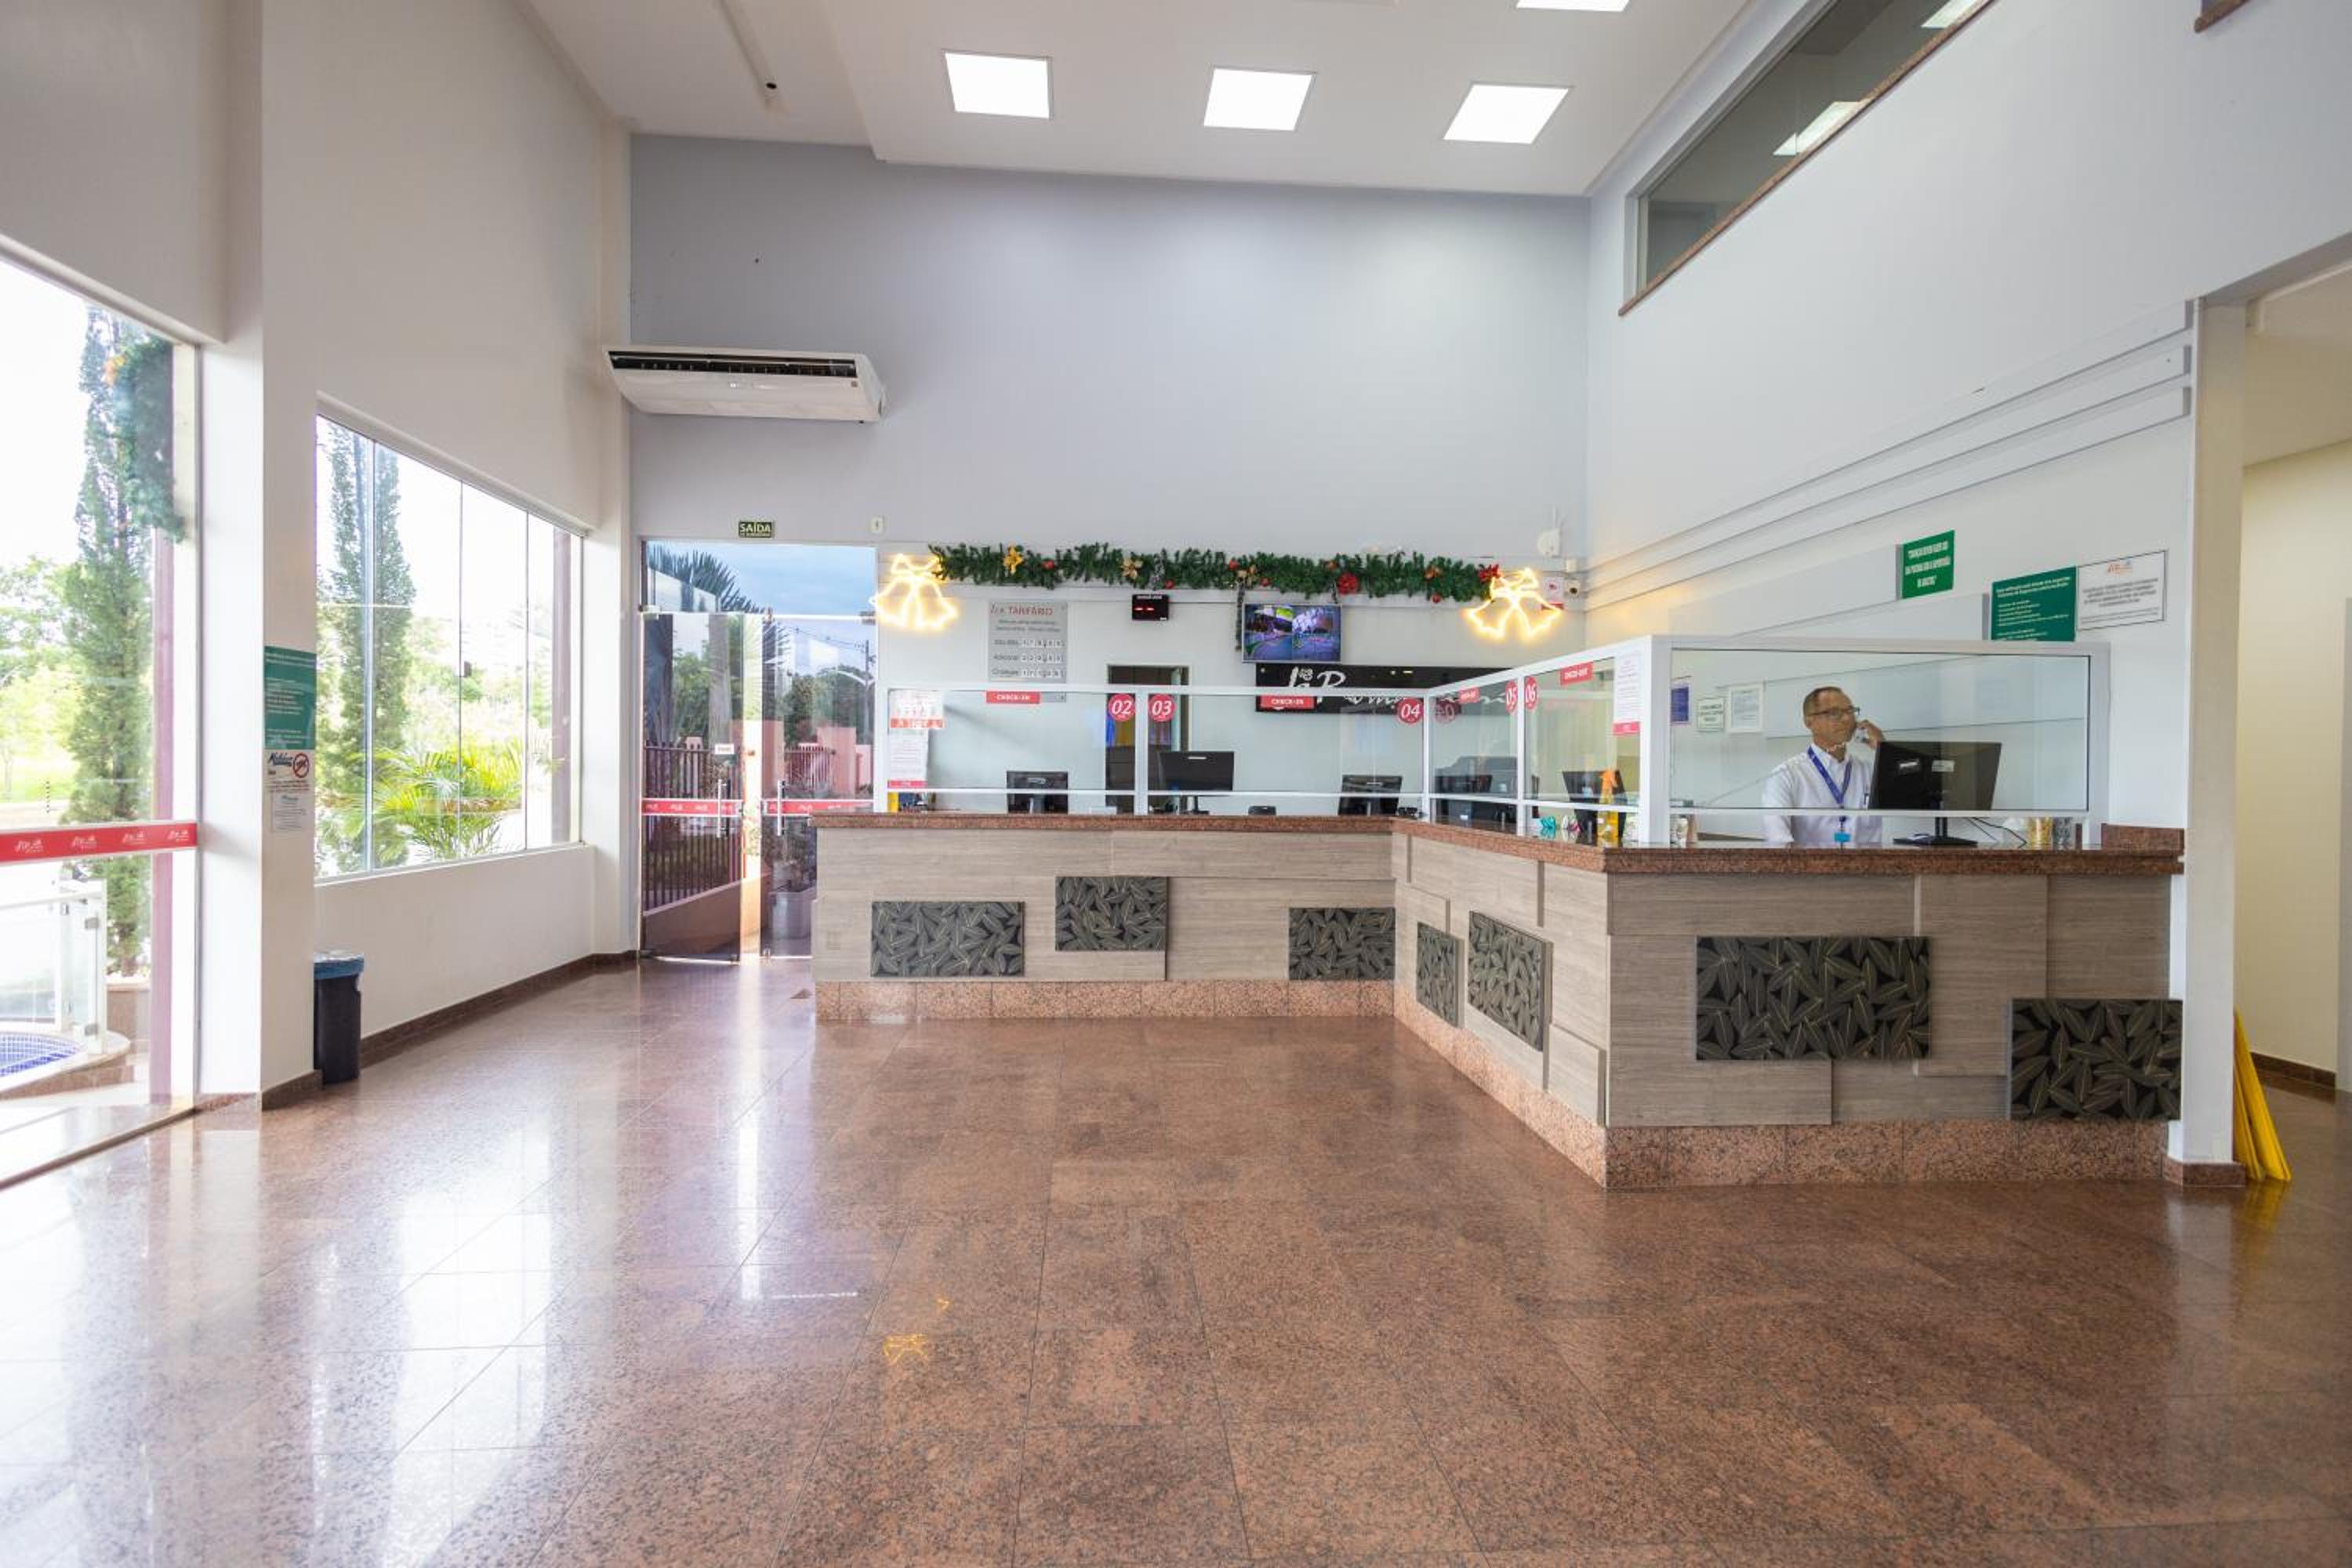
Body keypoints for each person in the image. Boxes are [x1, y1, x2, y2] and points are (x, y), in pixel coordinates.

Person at [1762, 685, 1886, 847]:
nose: (1846, 719)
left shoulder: (1869, 770)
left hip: (1868, 862)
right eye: (1834, 713)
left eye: (1850, 711)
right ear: (1809, 722)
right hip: (1813, 863)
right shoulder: (1786, 775)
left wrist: (1884, 748)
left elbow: (1912, 800)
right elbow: (1778, 842)